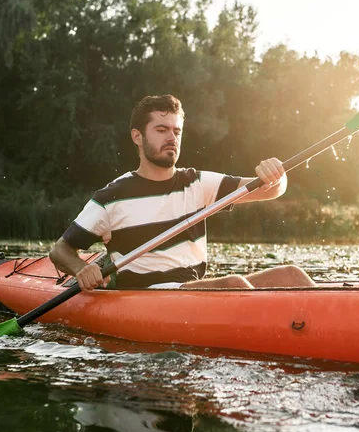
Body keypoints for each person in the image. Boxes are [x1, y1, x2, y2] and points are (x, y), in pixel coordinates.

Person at [49, 94, 316, 291]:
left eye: (177, 131)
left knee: (291, 275)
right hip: (149, 299)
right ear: (137, 137)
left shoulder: (198, 183)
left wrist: (275, 176)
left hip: (194, 291)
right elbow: (60, 250)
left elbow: (270, 191)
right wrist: (82, 269)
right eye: (162, 130)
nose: (172, 138)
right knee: (235, 284)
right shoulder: (112, 197)